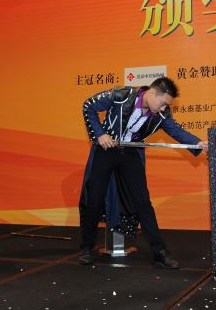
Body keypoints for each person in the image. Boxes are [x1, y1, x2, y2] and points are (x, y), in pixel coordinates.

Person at [78, 76, 207, 268]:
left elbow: (176, 131)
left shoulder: (161, 114)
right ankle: (86, 248)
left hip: (131, 153)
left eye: (166, 106)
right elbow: (88, 105)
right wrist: (100, 134)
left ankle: (160, 252)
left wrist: (198, 143)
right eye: (162, 103)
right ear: (152, 93)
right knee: (94, 199)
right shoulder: (121, 95)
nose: (163, 108)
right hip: (106, 150)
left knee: (143, 203)